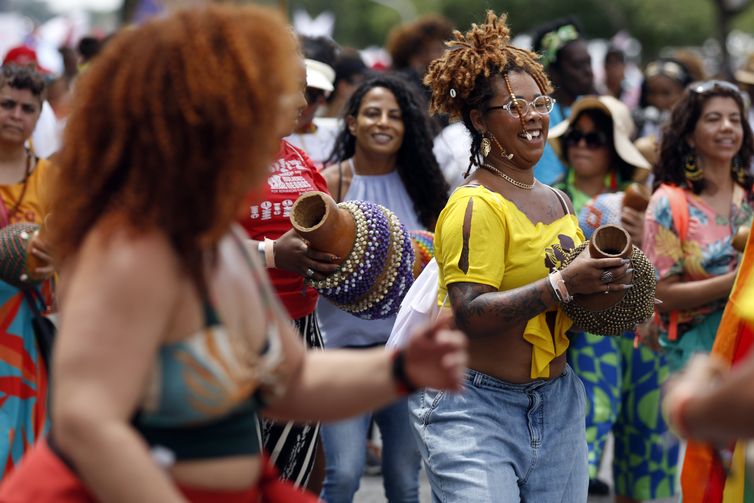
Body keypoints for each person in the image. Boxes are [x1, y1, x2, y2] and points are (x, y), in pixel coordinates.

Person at [0, 6, 467, 501]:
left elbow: (292, 379)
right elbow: (87, 426)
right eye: (279, 94)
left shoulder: (220, 251)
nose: (299, 110)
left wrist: (402, 368)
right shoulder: (130, 249)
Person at [410, 11, 632, 502]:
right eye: (514, 106)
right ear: (478, 119)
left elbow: (573, 304)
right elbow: (468, 313)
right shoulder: (474, 205)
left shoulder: (557, 201)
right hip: (474, 408)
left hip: (559, 403)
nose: (533, 116)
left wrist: (613, 284)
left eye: (540, 102)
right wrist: (565, 284)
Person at [317, 72, 449, 502]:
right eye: (372, 113)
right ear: (352, 122)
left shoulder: (425, 189)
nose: (383, 123)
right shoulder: (330, 183)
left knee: (404, 481)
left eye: (395, 115)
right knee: (343, 473)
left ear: (407, 126)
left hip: (404, 354)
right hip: (339, 356)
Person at [550, 95, 679, 501]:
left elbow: (674, 265)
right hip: (586, 336)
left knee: (650, 443)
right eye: (576, 136)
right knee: (586, 436)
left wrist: (648, 237)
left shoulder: (647, 201)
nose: (582, 145)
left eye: (595, 138)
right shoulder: (549, 197)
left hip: (645, 333)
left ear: (615, 148)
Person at [239, 56, 338, 493]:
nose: (302, 101)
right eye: (290, 87)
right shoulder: (213, 162)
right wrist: (271, 254)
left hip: (300, 330)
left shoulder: (299, 157)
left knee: (293, 473)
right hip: (235, 334)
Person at [643, 80, 754, 374]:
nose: (728, 127)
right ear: (690, 135)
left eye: (735, 119)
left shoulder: (751, 196)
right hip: (698, 360)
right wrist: (737, 281)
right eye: (714, 119)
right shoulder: (669, 203)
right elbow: (661, 294)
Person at [0, 63, 55, 479]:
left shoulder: (51, 179)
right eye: (6, 104)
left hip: (32, 328)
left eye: (26, 108)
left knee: (27, 428)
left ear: (39, 116)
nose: (15, 115)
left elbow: (72, 244)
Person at [531, 17, 596, 185]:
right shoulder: (541, 115)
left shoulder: (590, 106)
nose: (588, 72)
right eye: (577, 66)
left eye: (588, 63)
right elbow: (547, 183)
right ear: (554, 70)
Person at [285, 35, 339, 167]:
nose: (302, 103)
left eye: (309, 94)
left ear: (323, 98)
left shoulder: (337, 137)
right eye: (289, 90)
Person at [633, 57, 694, 141]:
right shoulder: (636, 126)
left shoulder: (694, 129)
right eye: (651, 92)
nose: (658, 100)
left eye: (666, 93)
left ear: (684, 93)